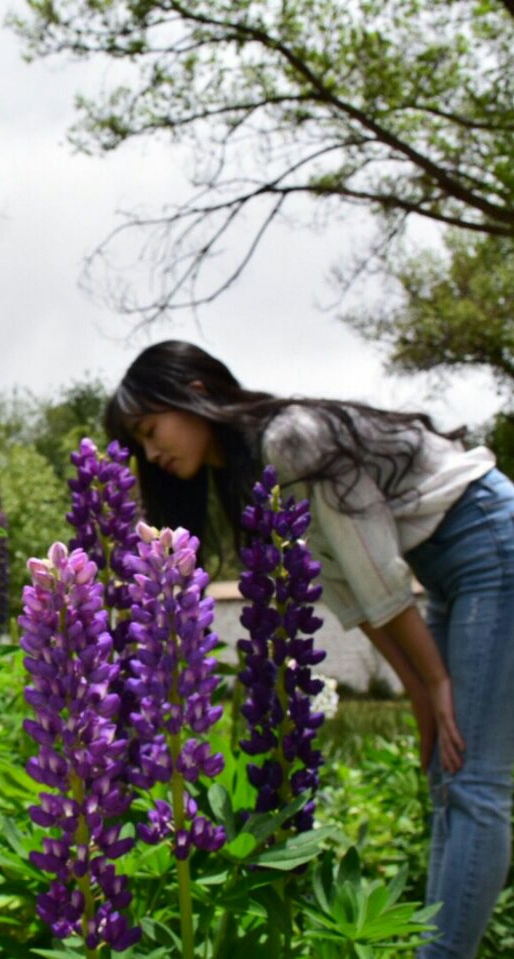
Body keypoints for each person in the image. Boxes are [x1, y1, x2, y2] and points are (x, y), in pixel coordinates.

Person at [105, 340, 513, 959]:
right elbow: (348, 582)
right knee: (447, 771)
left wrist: (433, 683)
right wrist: (419, 690)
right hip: (450, 560)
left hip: (486, 539)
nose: (150, 452)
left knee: (475, 776)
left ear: (195, 390)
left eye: (150, 428)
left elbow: (374, 568)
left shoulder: (288, 437)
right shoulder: (247, 467)